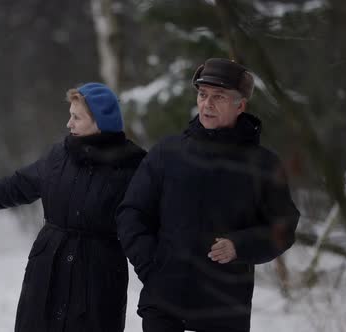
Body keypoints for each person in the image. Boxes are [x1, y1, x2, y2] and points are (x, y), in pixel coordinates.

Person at [0, 82, 146, 332]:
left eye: (76, 117)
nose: (68, 123)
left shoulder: (134, 168)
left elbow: (156, 224)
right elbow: (13, 187)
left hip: (97, 282)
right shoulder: (59, 157)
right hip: (46, 276)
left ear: (100, 121)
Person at [116, 58, 300, 332]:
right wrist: (151, 265)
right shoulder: (167, 152)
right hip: (164, 303)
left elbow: (283, 227)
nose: (207, 104)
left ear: (240, 105)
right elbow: (131, 213)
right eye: (203, 95)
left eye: (219, 97)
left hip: (224, 309)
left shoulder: (263, 164)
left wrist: (241, 245)